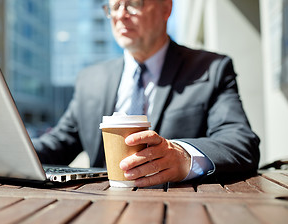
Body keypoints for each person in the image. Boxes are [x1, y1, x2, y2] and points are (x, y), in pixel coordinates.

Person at [32, 0, 260, 187]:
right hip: (99, 209)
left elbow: (239, 142)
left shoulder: (211, 69)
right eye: (114, 7)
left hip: (179, 211)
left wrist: (184, 157)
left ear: (166, 8)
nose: (120, 15)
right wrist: (8, 151)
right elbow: (59, 143)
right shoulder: (90, 79)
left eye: (133, 4)